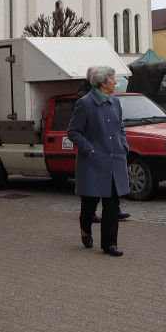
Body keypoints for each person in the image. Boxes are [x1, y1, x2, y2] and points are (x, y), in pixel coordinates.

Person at [67, 65, 129, 256]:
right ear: (103, 83)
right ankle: (85, 228)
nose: (115, 82)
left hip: (113, 161)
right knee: (89, 203)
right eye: (113, 78)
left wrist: (123, 145)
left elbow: (120, 128)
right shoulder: (85, 103)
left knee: (112, 204)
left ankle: (109, 244)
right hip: (93, 163)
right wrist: (90, 150)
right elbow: (73, 132)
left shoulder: (115, 103)